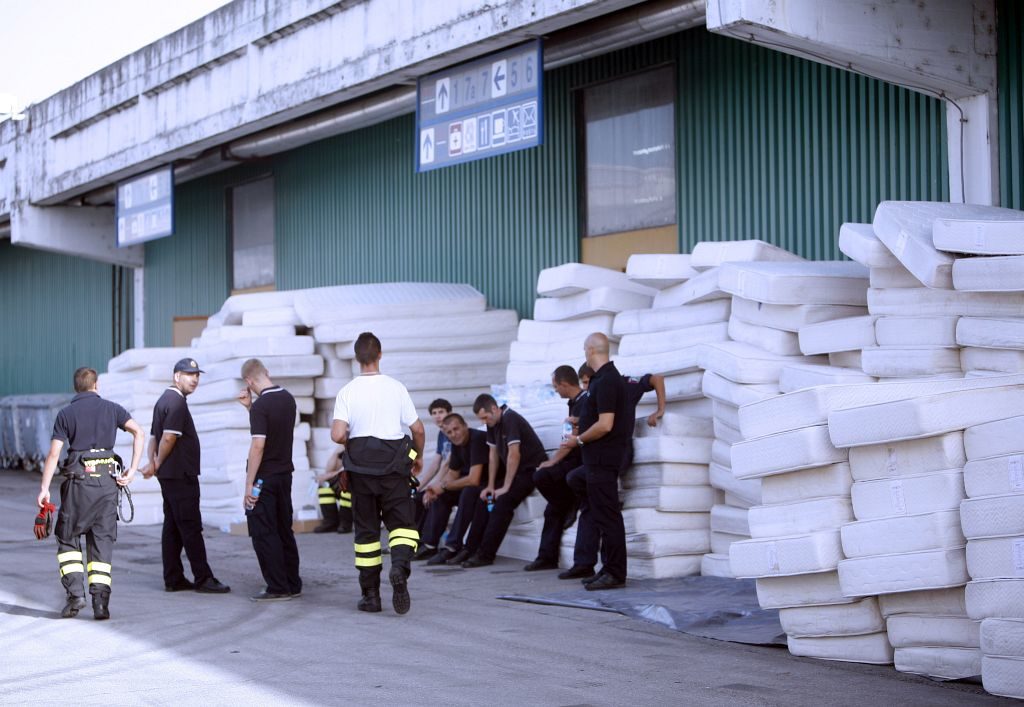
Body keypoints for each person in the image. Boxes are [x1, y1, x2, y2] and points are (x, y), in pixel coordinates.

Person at [36, 367, 146, 620]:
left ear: (77, 387)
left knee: (67, 537)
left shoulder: (66, 414)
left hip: (78, 484)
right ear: (96, 384)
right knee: (101, 542)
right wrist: (132, 470)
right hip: (108, 485)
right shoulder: (112, 409)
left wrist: (44, 488)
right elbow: (139, 432)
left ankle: (76, 596)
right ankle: (101, 605)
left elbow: (54, 454)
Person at [331, 332, 425, 615]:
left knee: (367, 534)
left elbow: (337, 434)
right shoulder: (396, 388)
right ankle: (399, 567)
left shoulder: (347, 391)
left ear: (357, 358)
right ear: (380, 355)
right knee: (402, 527)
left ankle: (371, 596)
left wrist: (351, 440)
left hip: (360, 472)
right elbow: (417, 429)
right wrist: (417, 456)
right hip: (394, 468)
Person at [564, 366, 667, 581]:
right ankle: (588, 563)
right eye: (583, 383)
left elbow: (655, 378)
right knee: (588, 501)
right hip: (598, 457)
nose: (585, 387)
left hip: (612, 455)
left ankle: (611, 570)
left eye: (586, 381)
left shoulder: (620, 384)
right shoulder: (597, 390)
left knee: (604, 510)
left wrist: (659, 410)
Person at [141, 358, 230, 595]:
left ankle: (174, 577)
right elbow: (168, 438)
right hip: (180, 475)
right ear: (176, 376)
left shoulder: (163, 400)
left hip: (170, 475)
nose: (195, 379)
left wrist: (153, 463)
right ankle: (203, 578)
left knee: (173, 527)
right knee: (190, 526)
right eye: (189, 374)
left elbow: (153, 438)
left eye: (197, 375)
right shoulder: (176, 402)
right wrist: (156, 463)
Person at [561, 333, 631, 591]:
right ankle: (608, 568)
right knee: (603, 516)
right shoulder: (605, 379)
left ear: (591, 350)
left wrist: (578, 441)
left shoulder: (606, 381)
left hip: (603, 459)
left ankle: (614, 572)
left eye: (584, 349)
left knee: (608, 517)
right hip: (598, 460)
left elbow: (605, 425)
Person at [237, 358, 302, 601]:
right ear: (267, 372)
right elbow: (275, 430)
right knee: (284, 529)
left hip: (264, 478)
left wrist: (249, 484)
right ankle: (292, 582)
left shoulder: (263, 406)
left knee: (264, 532)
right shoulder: (288, 398)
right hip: (285, 475)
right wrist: (250, 408)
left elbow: (259, 445)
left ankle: (277, 586)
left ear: (249, 381)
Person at [461, 394, 548, 568]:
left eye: (485, 417)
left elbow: (514, 455)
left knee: (503, 503)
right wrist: (491, 486)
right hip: (515, 472)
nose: (484, 422)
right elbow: (493, 455)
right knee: (485, 497)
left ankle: (486, 555)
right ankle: (470, 549)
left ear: (494, 409)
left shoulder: (510, 419)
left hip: (530, 470)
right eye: (481, 419)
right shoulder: (493, 424)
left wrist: (506, 487)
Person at [523, 365, 589, 573]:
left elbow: (570, 442)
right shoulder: (573, 405)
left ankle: (568, 502)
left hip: (581, 462)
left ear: (564, 384)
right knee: (552, 508)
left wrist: (552, 461)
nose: (556, 391)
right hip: (571, 459)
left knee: (543, 475)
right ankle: (546, 557)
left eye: (555, 387)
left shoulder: (585, 402)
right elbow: (565, 440)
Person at [416, 413, 488, 564]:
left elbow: (474, 479)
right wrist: (436, 489)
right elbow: (453, 474)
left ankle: (452, 547)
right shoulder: (456, 445)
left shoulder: (477, 439)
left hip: (487, 485)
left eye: (456, 429)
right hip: (472, 485)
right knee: (441, 496)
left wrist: (443, 485)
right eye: (449, 432)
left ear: (465, 426)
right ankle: (430, 544)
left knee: (467, 492)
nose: (454, 434)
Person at [412, 399, 453, 529]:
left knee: (430, 498)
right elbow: (435, 464)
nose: (437, 416)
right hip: (446, 480)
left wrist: (433, 487)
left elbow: (448, 464)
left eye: (441, 412)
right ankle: (415, 539)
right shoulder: (442, 434)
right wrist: (420, 486)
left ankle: (426, 541)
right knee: (416, 497)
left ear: (450, 413)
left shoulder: (454, 431)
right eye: (434, 413)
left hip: (456, 479)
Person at [314, 449, 353, 534]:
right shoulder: (346, 448)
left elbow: (352, 471)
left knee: (347, 488)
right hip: (347, 481)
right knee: (325, 487)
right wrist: (336, 453)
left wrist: (329, 475)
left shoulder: (362, 445)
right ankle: (330, 522)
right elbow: (329, 470)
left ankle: (345, 524)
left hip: (361, 487)